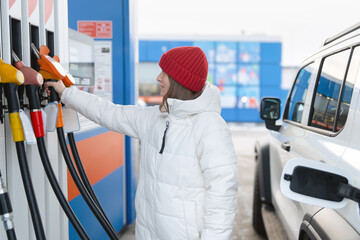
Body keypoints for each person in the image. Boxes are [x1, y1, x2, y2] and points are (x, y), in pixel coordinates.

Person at [46, 46, 239, 240]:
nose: (158, 78)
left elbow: (223, 194)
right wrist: (67, 93)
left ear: (180, 80)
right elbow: (110, 112)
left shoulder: (210, 127)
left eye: (165, 72)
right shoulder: (156, 117)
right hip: (149, 232)